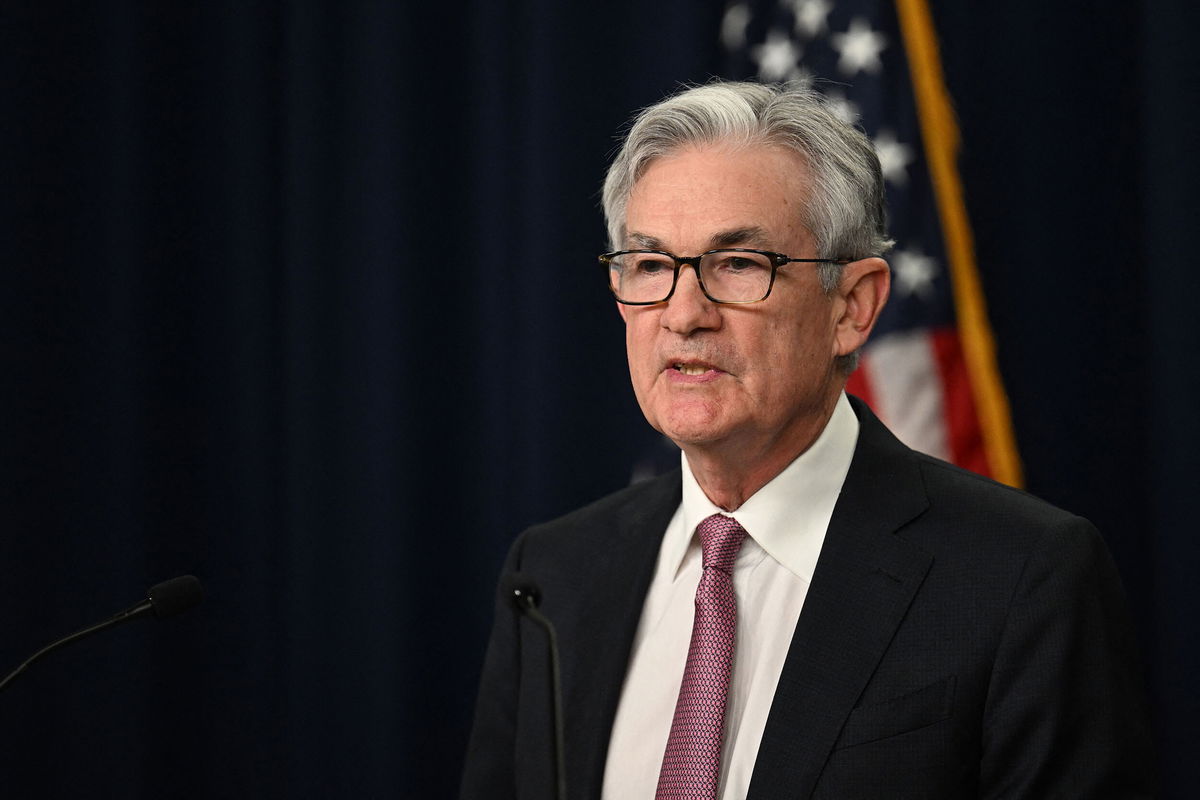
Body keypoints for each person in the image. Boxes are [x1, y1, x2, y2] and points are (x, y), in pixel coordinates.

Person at [460, 80, 1153, 799]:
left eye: (737, 264)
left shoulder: (1021, 577)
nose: (683, 313)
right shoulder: (553, 575)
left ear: (852, 307)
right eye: (652, 266)